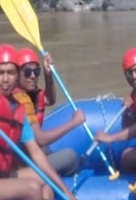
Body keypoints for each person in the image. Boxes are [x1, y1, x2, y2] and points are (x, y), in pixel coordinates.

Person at [0, 44, 78, 200]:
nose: (5, 79)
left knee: (48, 184)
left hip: (6, 173)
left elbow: (36, 152)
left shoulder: (18, 110)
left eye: (10, 73)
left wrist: (66, 193)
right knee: (34, 188)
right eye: (0, 73)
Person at [12, 47, 83, 176]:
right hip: (23, 162)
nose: (33, 76)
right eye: (27, 72)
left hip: (31, 153)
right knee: (70, 156)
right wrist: (74, 123)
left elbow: (48, 99)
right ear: (16, 75)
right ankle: (65, 187)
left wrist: (48, 74)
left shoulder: (30, 94)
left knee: (47, 150)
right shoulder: (20, 99)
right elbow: (40, 139)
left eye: (36, 71)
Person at [93, 47, 136, 174]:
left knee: (128, 157)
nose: (134, 76)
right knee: (127, 157)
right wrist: (130, 112)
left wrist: (112, 138)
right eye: (129, 73)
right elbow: (128, 127)